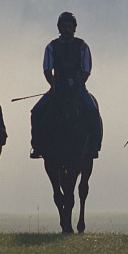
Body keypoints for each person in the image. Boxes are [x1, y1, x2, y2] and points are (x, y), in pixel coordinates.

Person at [30, 12, 102, 159]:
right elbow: (47, 69)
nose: (67, 29)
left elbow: (86, 69)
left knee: (93, 111)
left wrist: (78, 85)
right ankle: (37, 145)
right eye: (64, 26)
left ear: (74, 28)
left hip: (78, 88)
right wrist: (53, 84)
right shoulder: (51, 46)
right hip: (58, 88)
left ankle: (94, 146)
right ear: (59, 28)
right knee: (36, 112)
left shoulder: (82, 46)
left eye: (70, 26)